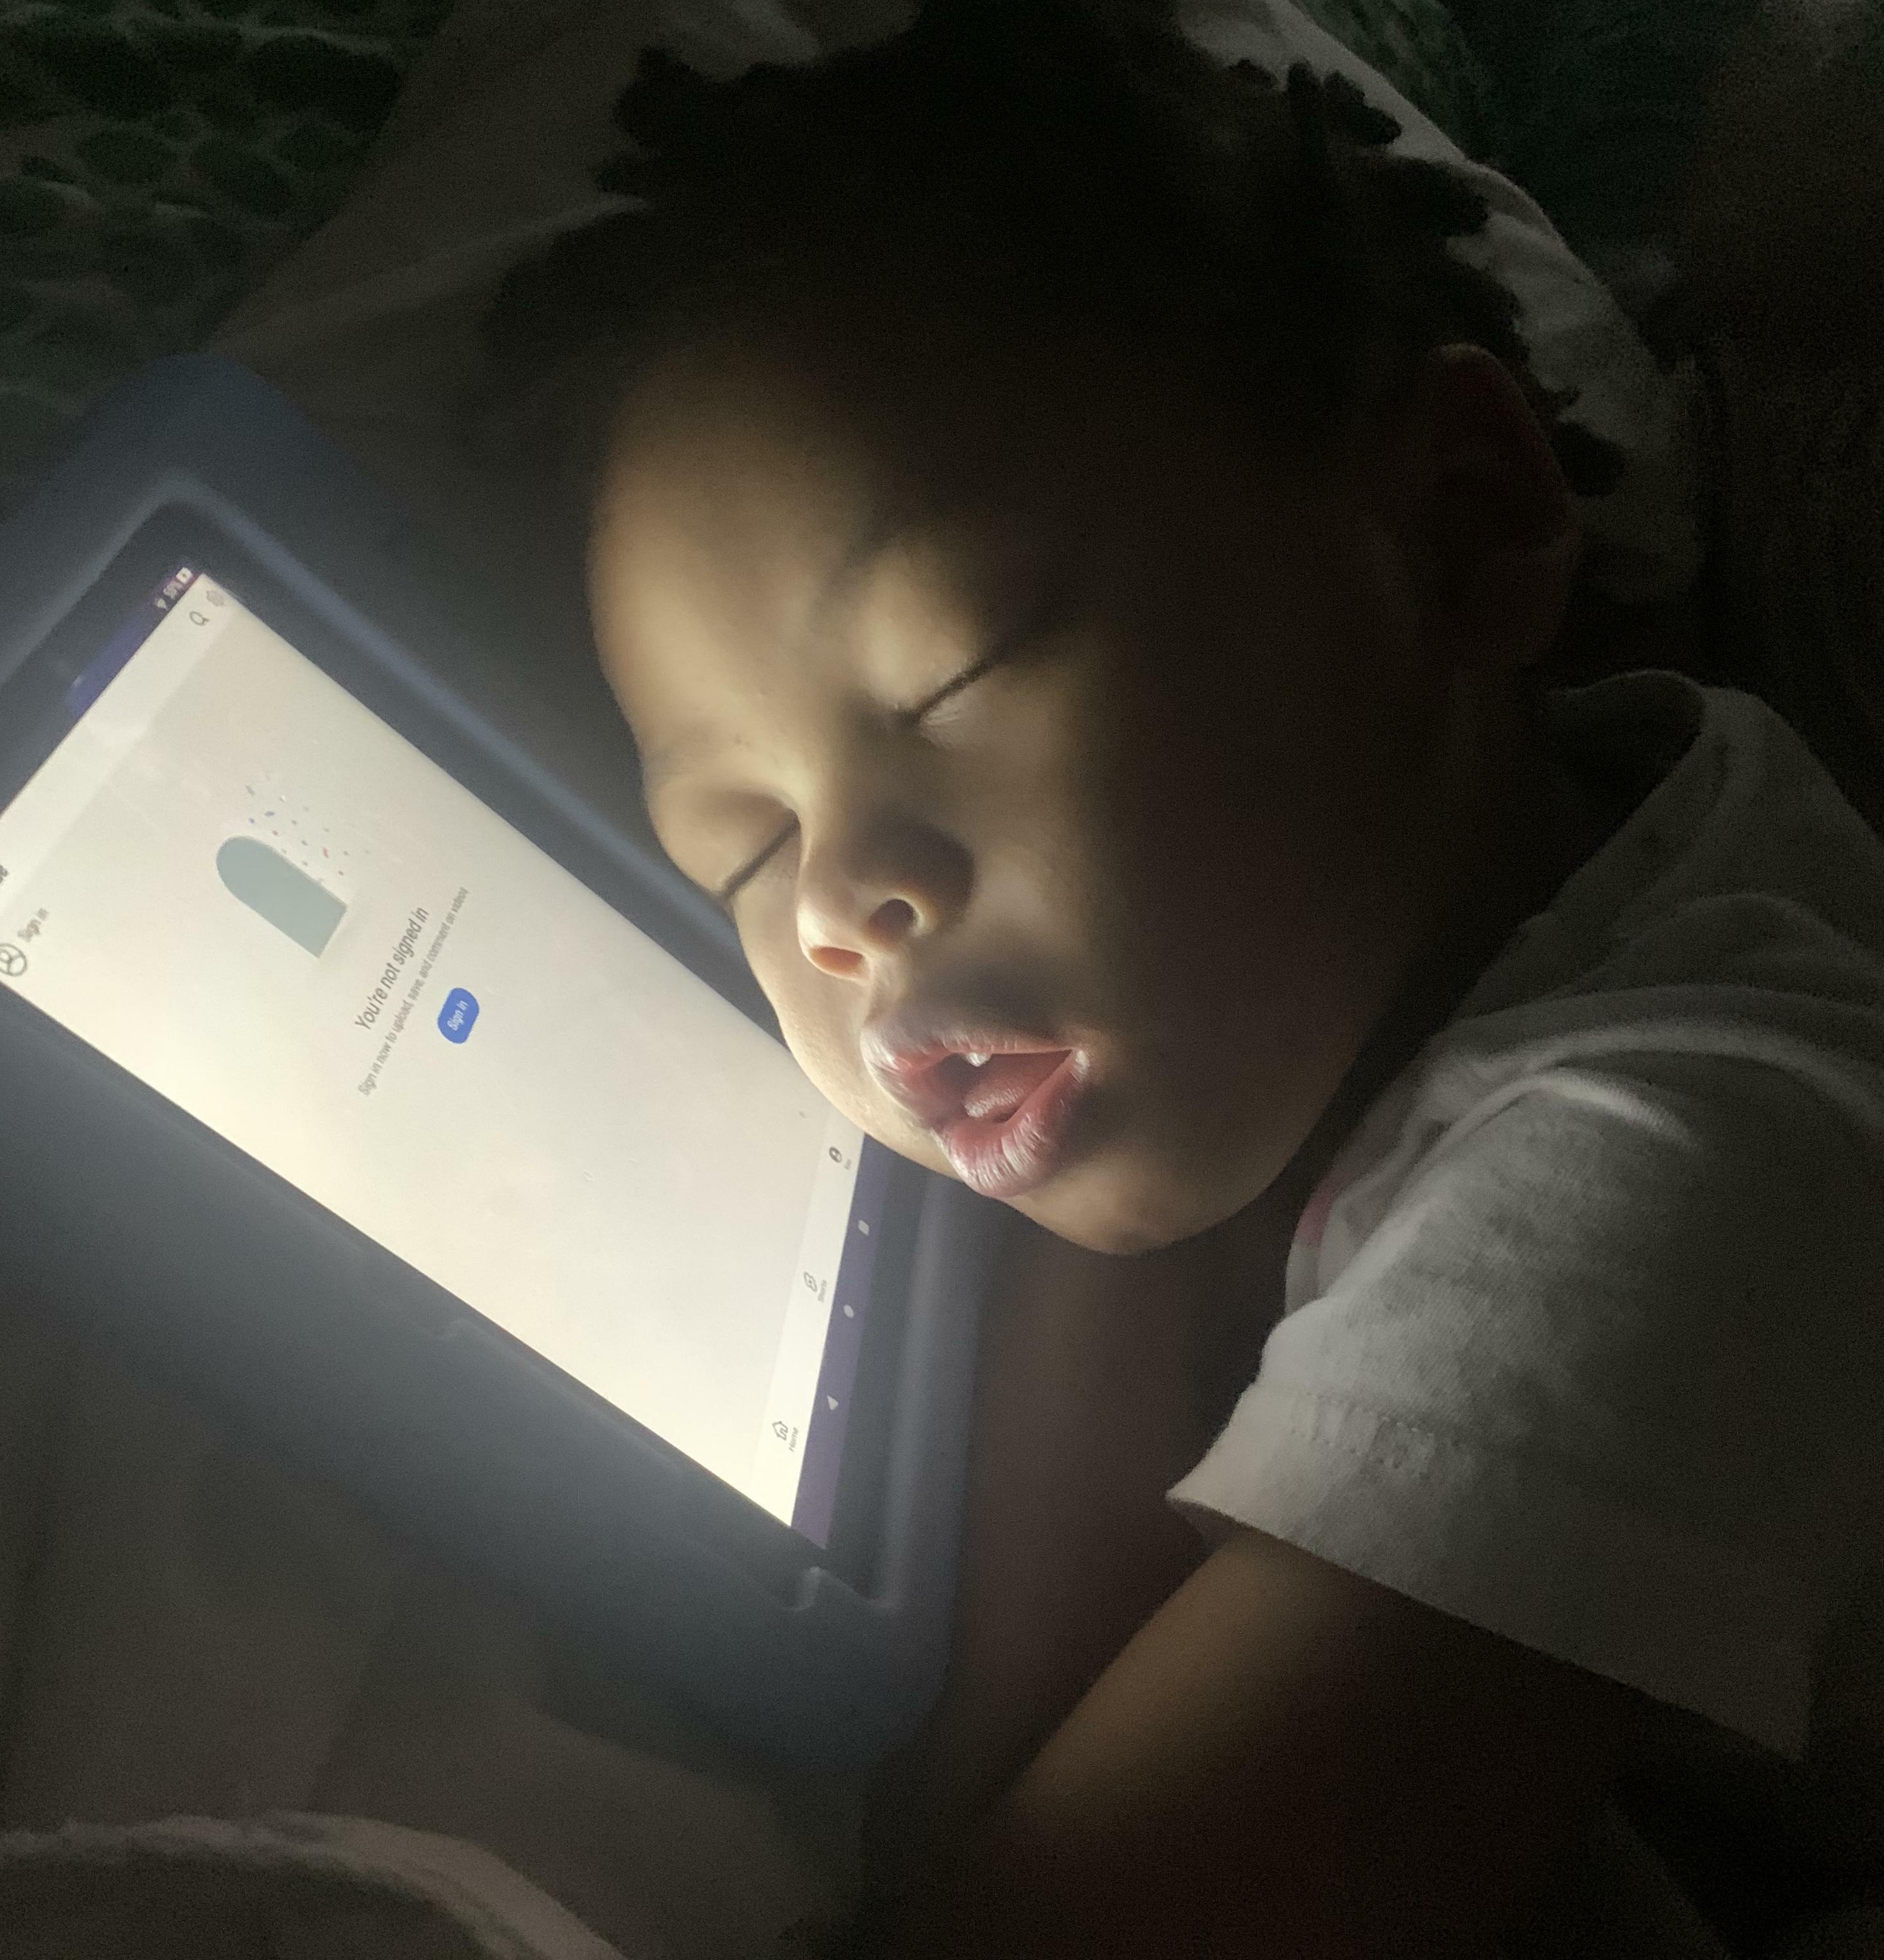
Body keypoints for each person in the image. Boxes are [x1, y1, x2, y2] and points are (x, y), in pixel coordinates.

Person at [482, 2, 1884, 1954]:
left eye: (957, 675)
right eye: (740, 844)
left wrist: (1095, 1221)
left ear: (1461, 530)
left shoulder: (1680, 1163)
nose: (841, 907)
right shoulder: (1488, 870)